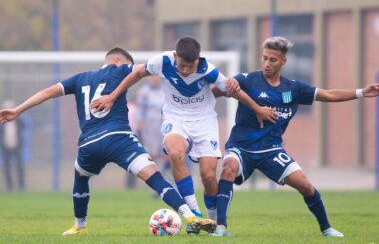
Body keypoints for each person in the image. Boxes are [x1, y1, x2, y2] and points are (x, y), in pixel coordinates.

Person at [0, 47, 217, 236]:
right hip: (119, 138)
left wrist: (17, 110)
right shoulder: (121, 69)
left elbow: (48, 92)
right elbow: (147, 69)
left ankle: (79, 226)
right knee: (154, 177)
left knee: (81, 175)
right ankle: (190, 216)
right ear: (117, 62)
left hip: (88, 144)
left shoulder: (79, 78)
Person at [90, 37, 276, 234]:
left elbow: (235, 92)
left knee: (208, 175)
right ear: (175, 56)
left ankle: (212, 223)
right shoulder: (163, 61)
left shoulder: (209, 71)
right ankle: (194, 214)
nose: (186, 70)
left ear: (198, 59)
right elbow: (137, 74)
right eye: (182, 65)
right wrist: (112, 96)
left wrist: (258, 109)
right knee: (175, 154)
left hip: (204, 121)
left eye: (190, 66)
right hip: (175, 118)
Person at [210, 36, 379, 237]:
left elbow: (329, 95)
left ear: (283, 61)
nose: (267, 63)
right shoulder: (247, 80)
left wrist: (361, 92)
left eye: (272, 60)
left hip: (271, 149)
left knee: (305, 185)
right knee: (229, 168)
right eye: (264, 58)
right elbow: (214, 92)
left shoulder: (293, 89)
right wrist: (216, 92)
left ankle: (327, 229)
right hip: (241, 146)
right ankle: (220, 227)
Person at [0, 100, 25, 191]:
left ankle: (21, 187)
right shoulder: (2, 122)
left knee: (20, 167)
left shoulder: (18, 120)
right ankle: (9, 187)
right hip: (5, 147)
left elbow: (24, 125)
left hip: (17, 147)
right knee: (7, 168)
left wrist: (17, 114)